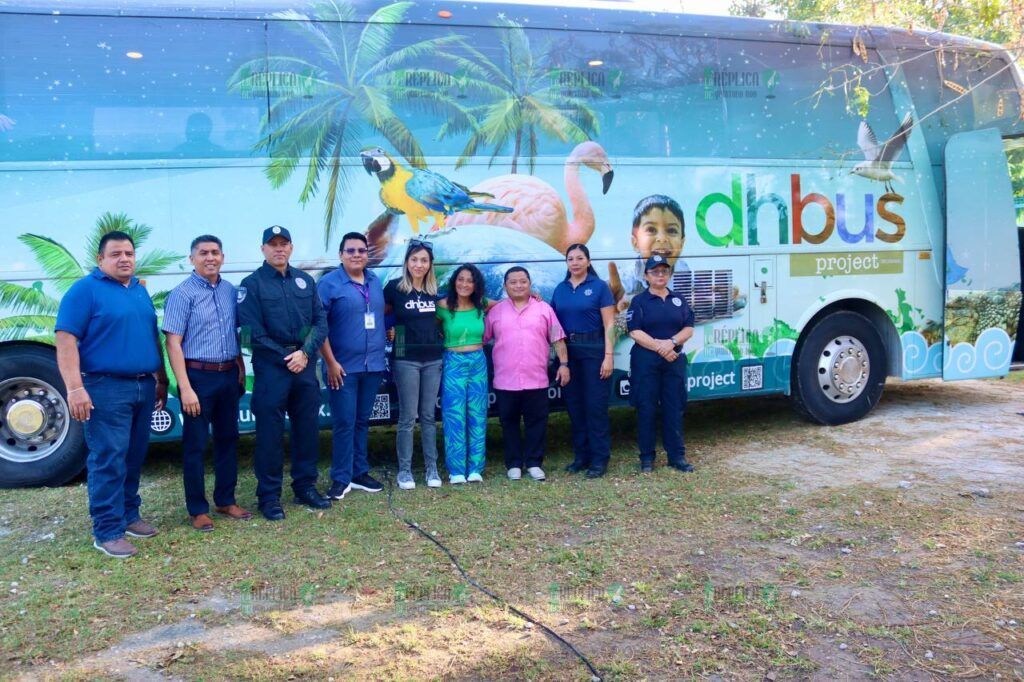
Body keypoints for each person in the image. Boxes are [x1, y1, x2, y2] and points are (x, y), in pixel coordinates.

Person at [54, 230, 169, 558]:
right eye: (116, 254)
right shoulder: (84, 291)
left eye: (129, 254)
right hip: (106, 388)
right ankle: (106, 530)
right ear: (100, 259)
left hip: (143, 386)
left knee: (134, 455)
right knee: (108, 458)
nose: (124, 259)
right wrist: (75, 388)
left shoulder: (138, 291)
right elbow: (65, 342)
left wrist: (160, 379)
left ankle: (129, 516)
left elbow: (151, 336)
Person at [238, 225, 330, 521]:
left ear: (291, 248)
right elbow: (249, 333)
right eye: (273, 244)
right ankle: (269, 497)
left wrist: (304, 353)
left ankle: (305, 487)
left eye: (284, 244)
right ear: (263, 249)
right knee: (270, 436)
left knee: (307, 430)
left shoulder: (305, 281)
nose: (279, 249)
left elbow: (320, 322)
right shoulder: (251, 284)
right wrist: (287, 356)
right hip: (271, 369)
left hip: (303, 367)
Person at [163, 234, 250, 533]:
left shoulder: (229, 291)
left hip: (228, 375)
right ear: (192, 258)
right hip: (197, 377)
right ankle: (197, 509)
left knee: (228, 440)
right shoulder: (182, 294)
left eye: (215, 252)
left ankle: (225, 499)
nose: (210, 257)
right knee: (196, 445)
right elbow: (173, 343)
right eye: (203, 253)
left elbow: (235, 335)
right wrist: (185, 387)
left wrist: (239, 366)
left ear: (223, 257)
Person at [484, 266, 569, 482]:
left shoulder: (543, 309)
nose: (518, 285)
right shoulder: (496, 312)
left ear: (530, 284)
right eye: (513, 282)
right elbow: (482, 339)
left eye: (523, 281)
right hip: (505, 380)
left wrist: (564, 364)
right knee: (509, 423)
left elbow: (557, 338)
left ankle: (533, 463)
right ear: (505, 286)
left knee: (536, 423)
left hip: (536, 378)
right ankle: (513, 464)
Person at [318, 232, 386, 499]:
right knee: (344, 422)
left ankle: (359, 473)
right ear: (341, 255)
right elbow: (319, 327)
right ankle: (340, 477)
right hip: (342, 368)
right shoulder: (329, 284)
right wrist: (331, 363)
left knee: (361, 421)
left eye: (361, 250)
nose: (356, 255)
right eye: (351, 251)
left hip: (372, 367)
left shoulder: (374, 281)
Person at [550, 243, 616, 478]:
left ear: (588, 261)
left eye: (580, 258)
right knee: (575, 407)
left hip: (594, 351)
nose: (575, 262)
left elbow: (610, 324)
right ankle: (581, 457)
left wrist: (608, 357)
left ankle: (599, 460)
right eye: (571, 259)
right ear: (566, 263)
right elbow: (553, 325)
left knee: (595, 408)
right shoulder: (560, 289)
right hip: (568, 354)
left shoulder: (600, 287)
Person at [626, 254, 696, 473]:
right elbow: (634, 331)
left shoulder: (679, 299)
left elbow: (689, 327)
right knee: (646, 408)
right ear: (646, 275)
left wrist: (672, 343)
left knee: (674, 407)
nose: (660, 275)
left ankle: (677, 456)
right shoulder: (639, 301)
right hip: (646, 362)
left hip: (673, 361)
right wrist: (661, 348)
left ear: (669, 274)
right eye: (655, 271)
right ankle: (647, 458)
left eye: (664, 271)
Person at [384, 239, 443, 490]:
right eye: (414, 259)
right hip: (405, 359)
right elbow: (380, 315)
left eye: (424, 260)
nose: (419, 265)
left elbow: (446, 317)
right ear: (406, 262)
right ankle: (405, 472)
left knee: (429, 416)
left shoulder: (433, 291)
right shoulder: (393, 288)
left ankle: (432, 469)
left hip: (433, 359)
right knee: (408, 417)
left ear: (430, 265)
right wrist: (390, 331)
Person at [436, 264, 489, 484]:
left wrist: (533, 297)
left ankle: (476, 468)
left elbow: (510, 303)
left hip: (478, 361)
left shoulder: (482, 305)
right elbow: (425, 327)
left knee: (477, 414)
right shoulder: (442, 306)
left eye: (470, 280)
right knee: (454, 416)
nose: (465, 284)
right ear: (454, 281)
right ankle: (456, 470)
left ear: (476, 284)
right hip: (453, 362)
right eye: (461, 279)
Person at [609, 194, 690, 309]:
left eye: (671, 230)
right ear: (635, 242)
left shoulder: (686, 274)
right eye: (651, 229)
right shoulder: (629, 277)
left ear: (681, 244)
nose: (662, 238)